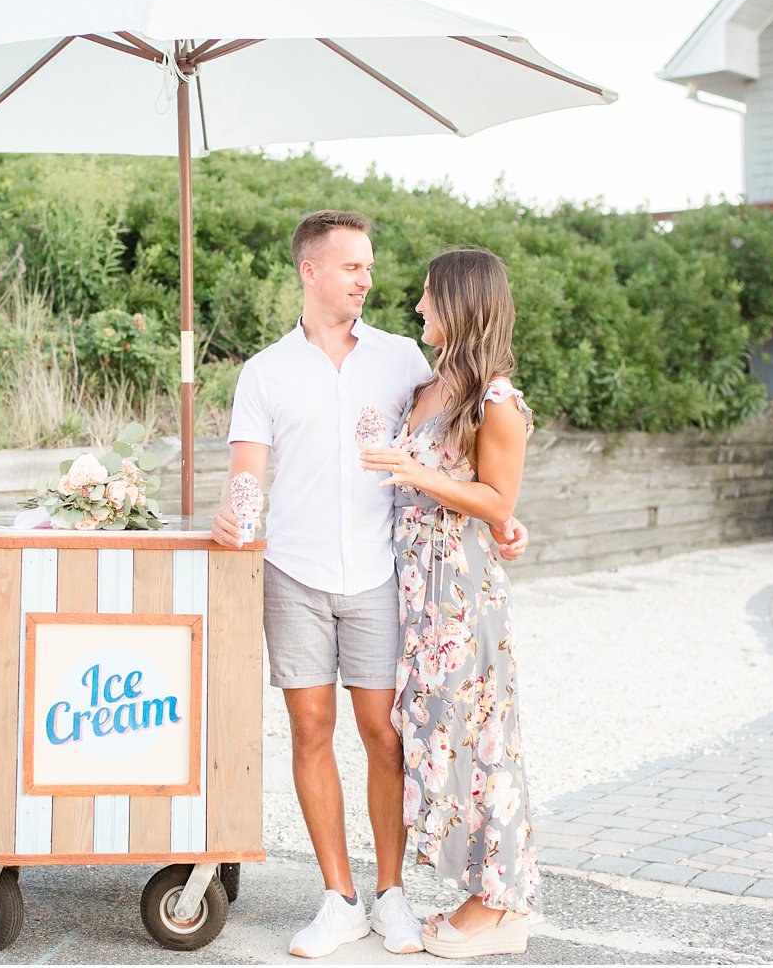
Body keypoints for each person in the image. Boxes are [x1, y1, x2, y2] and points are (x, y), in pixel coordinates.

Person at [212, 211, 528, 959]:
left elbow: (470, 440)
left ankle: (392, 894)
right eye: (353, 266)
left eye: (372, 267)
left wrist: (510, 519)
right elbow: (247, 475)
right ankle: (338, 899)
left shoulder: (403, 360)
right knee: (310, 730)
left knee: (385, 735)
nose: (368, 280)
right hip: (292, 572)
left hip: (385, 577)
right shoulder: (265, 371)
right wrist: (232, 515)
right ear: (310, 271)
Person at [359, 248, 538, 959]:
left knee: (484, 743)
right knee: (437, 742)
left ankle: (502, 907)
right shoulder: (427, 391)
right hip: (414, 592)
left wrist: (414, 471)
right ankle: (477, 893)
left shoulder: (497, 401)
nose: (418, 308)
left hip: (462, 599)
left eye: (429, 298)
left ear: (460, 305)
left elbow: (500, 502)